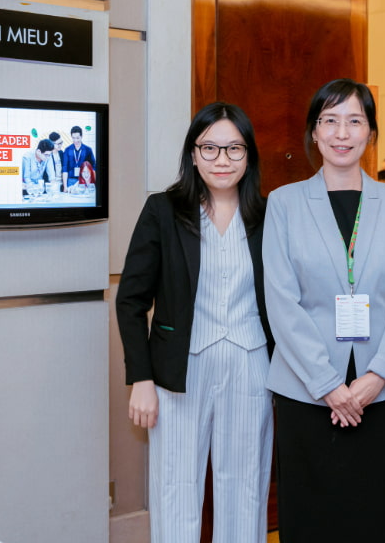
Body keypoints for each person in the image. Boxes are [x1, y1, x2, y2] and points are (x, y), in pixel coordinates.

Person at [263, 78, 385, 543]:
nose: (341, 132)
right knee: (314, 516)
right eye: (329, 121)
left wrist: (378, 375)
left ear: (371, 133)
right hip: (306, 390)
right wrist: (329, 385)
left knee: (382, 512)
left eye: (355, 121)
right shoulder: (284, 203)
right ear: (314, 132)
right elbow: (282, 300)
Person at [116, 102, 273, 543]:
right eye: (210, 148)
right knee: (176, 487)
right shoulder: (163, 211)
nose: (222, 160)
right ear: (193, 154)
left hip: (251, 365)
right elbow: (130, 299)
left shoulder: (267, 215)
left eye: (234, 149)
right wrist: (141, 378)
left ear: (249, 156)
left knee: (244, 488)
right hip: (178, 371)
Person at [62, 125, 96, 190]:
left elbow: (93, 167)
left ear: (81, 136)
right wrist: (65, 187)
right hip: (70, 180)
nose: (75, 140)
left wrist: (91, 181)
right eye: (73, 138)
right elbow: (65, 169)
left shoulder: (88, 149)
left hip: (84, 180)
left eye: (77, 138)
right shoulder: (67, 150)